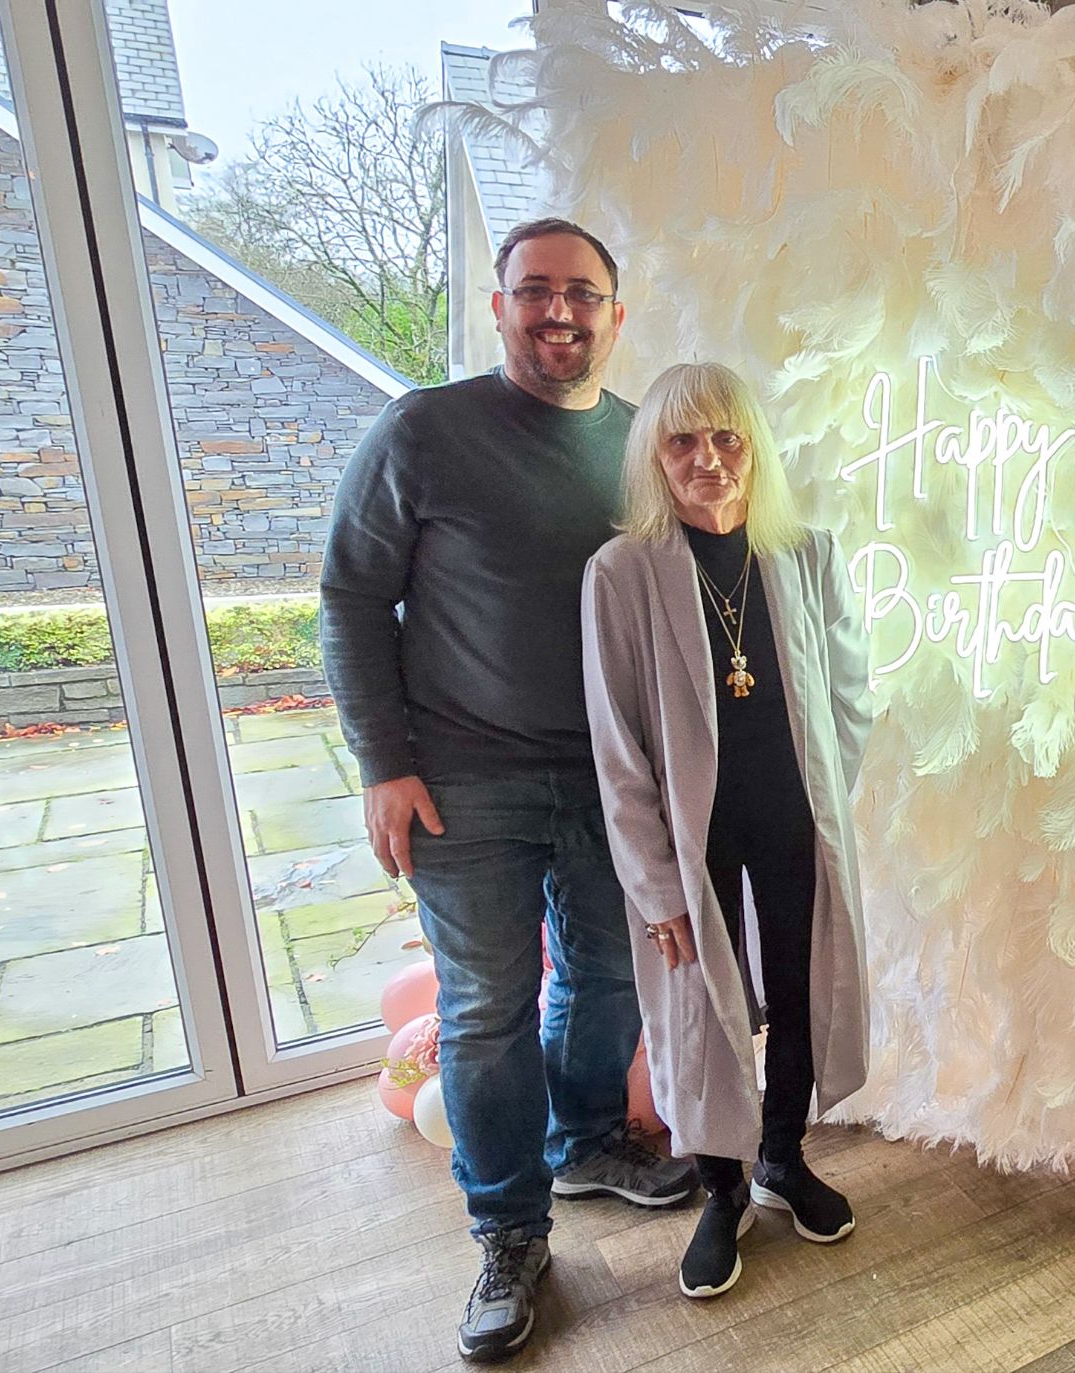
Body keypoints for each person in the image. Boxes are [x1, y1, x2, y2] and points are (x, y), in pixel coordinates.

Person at [320, 218, 695, 1364]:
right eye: (534, 290)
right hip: (461, 782)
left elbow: (677, 598)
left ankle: (586, 1138)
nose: (558, 312)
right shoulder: (423, 430)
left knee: (601, 976)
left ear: (615, 315)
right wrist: (383, 760)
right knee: (484, 1010)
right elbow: (347, 594)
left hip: (608, 777)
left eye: (581, 293)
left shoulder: (641, 443)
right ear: (497, 305)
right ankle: (509, 1232)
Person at [581, 361, 874, 1300]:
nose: (708, 459)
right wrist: (654, 884)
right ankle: (721, 1187)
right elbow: (617, 746)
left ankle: (783, 1155)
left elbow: (849, 694)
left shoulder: (804, 551)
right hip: (690, 835)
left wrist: (828, 788)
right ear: (655, 458)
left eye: (727, 437)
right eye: (682, 441)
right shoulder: (623, 572)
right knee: (704, 1005)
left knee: (796, 988)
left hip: (793, 817)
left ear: (755, 447)